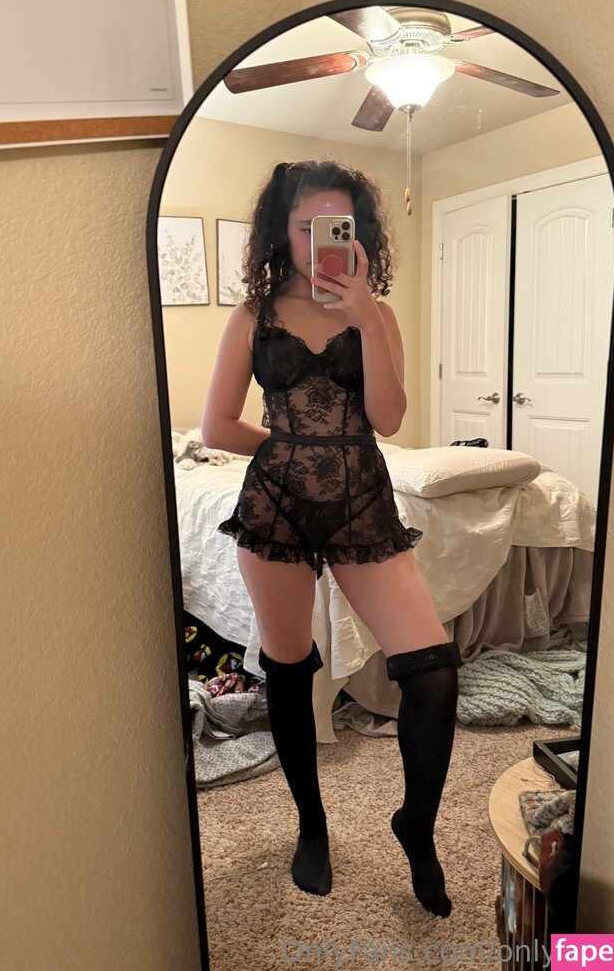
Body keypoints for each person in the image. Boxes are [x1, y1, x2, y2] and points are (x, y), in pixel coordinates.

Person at [201, 160, 462, 918]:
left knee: (433, 673)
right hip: (276, 507)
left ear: (360, 233)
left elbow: (388, 419)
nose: (322, 242)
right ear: (281, 232)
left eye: (337, 226)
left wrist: (367, 319)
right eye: (306, 226)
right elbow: (216, 428)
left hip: (362, 504)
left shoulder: (377, 315)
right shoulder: (253, 315)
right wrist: (291, 450)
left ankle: (416, 828)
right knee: (289, 670)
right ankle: (311, 827)